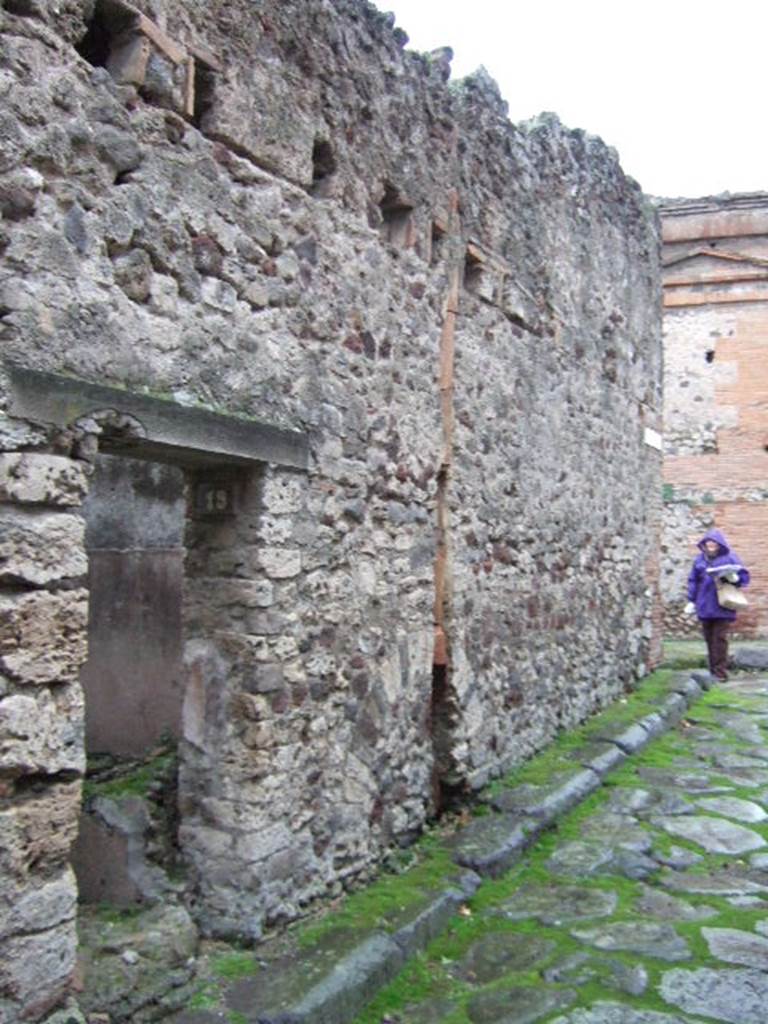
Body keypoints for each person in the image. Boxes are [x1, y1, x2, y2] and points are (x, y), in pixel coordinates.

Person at [685, 528, 750, 681]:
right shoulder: (700, 560)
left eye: (714, 542)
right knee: (709, 638)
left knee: (720, 639)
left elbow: (744, 576)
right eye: (708, 542)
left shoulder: (730, 558)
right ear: (704, 544)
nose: (711, 544)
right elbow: (693, 580)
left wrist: (735, 578)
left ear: (720, 544)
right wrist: (691, 600)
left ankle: (720, 672)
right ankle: (712, 669)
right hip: (704, 604)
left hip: (723, 604)